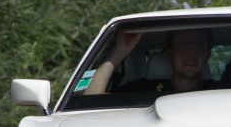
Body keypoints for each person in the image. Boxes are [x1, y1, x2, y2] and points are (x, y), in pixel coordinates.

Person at [84, 28, 215, 95]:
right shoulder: (143, 89)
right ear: (170, 53)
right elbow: (90, 104)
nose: (190, 53)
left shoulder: (221, 90)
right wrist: (120, 51)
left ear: (208, 53)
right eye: (182, 46)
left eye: (198, 46)